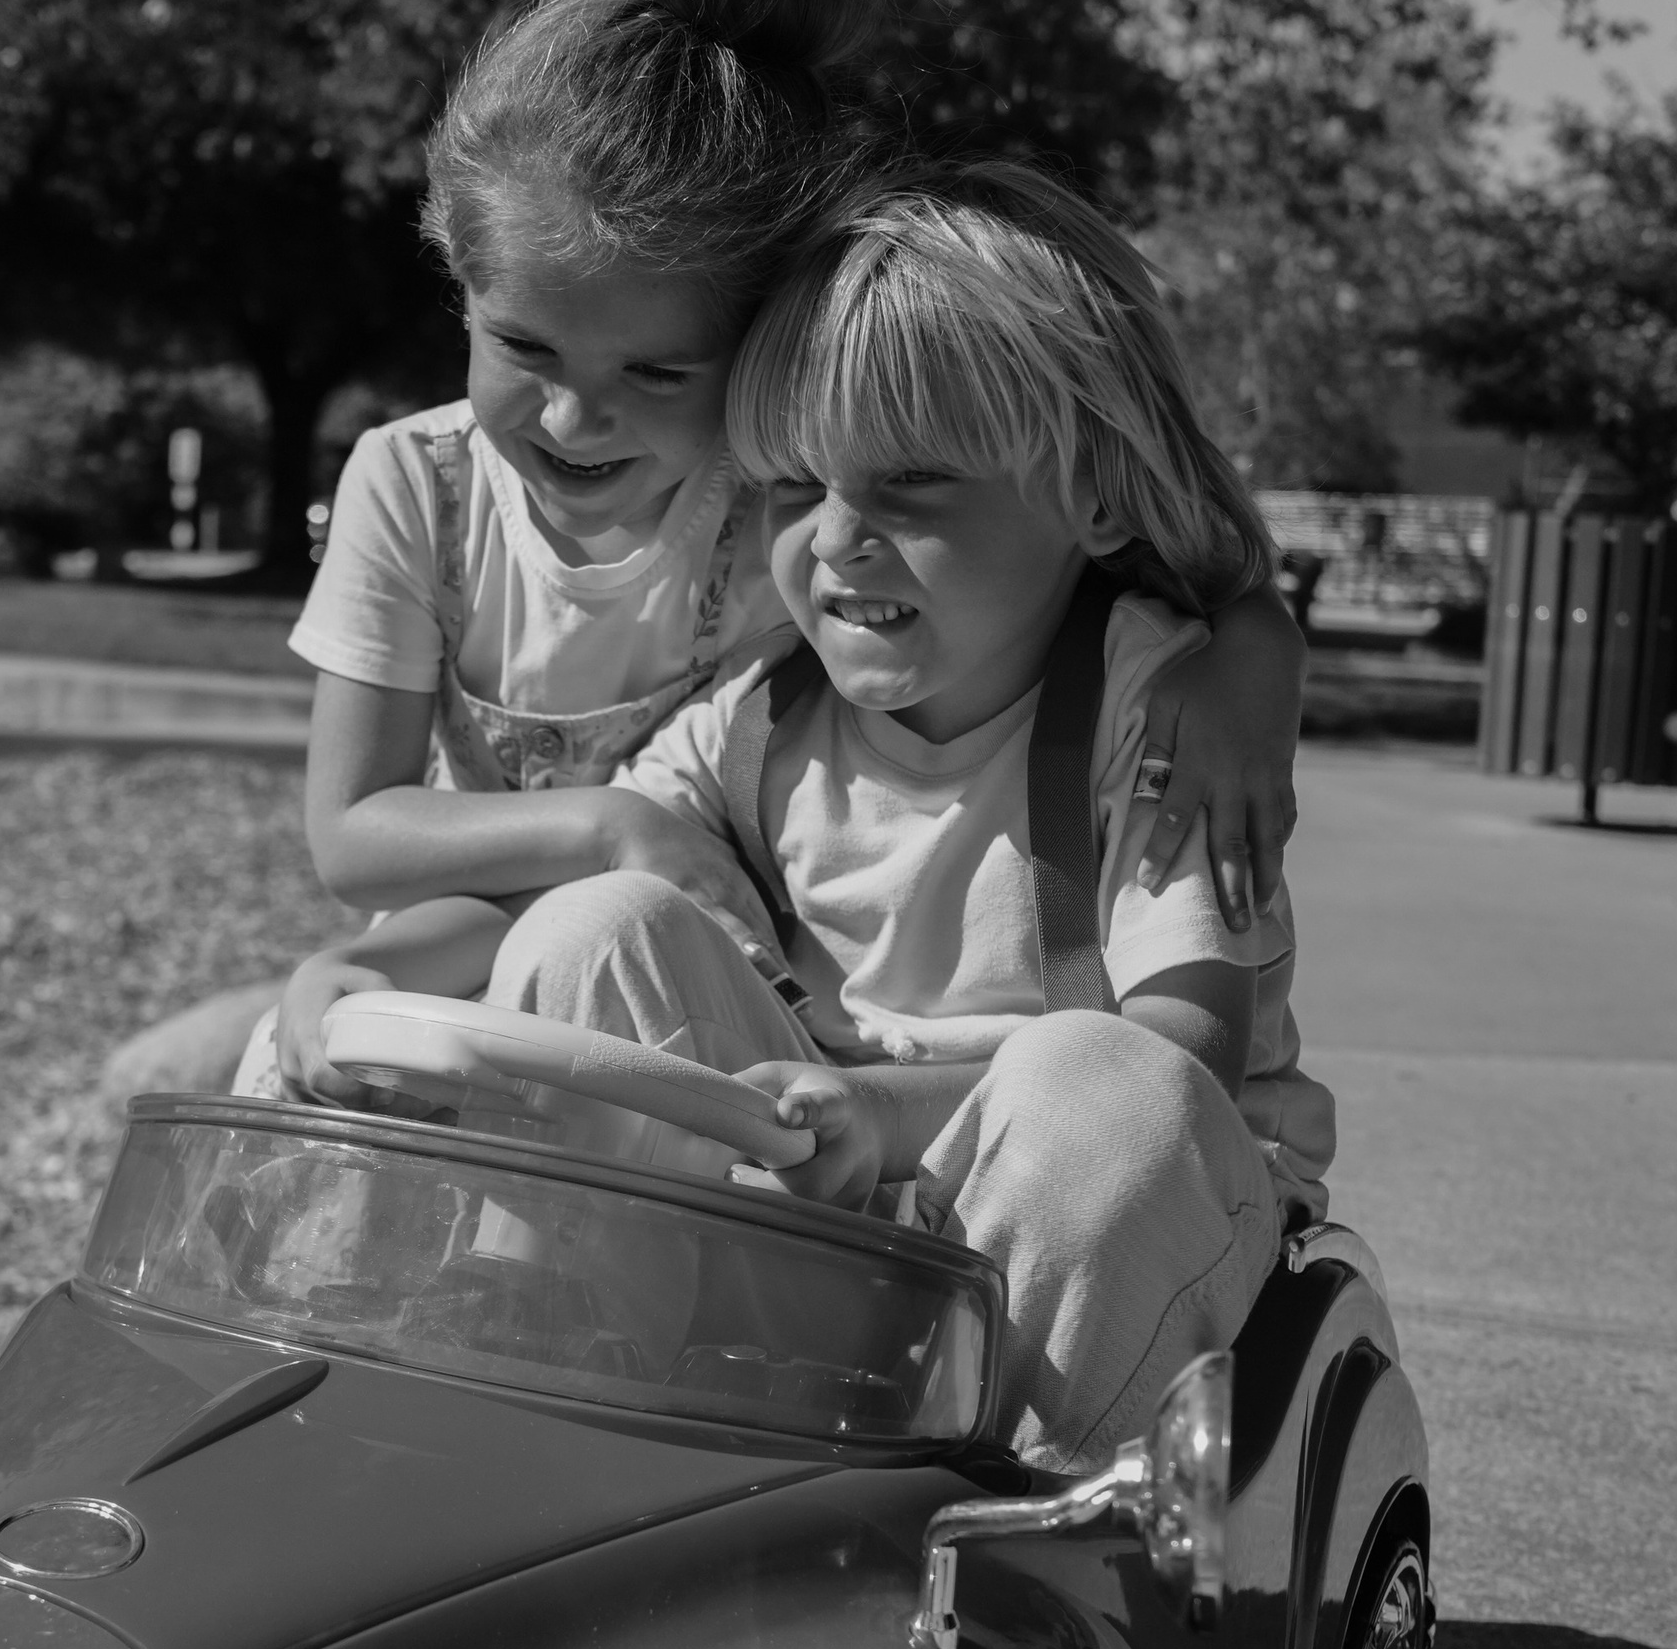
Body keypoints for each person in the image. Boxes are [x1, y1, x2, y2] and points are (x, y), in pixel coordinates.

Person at [109, 0, 1303, 1100]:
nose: (574, 417)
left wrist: (1247, 651)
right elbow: (352, 832)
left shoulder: (787, 494)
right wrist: (609, 832)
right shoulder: (423, 485)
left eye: (660, 376)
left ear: (761, 359)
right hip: (503, 945)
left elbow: (1077, 506)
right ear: (451, 278)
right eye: (521, 343)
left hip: (724, 1005)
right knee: (298, 1067)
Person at [275, 160, 1337, 1469]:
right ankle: (554, 1407)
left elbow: (1188, 1053)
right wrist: (359, 969)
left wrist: (879, 1115)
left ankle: (1010, 1513)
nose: (836, 540)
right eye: (791, 488)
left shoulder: (1158, 709)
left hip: (1123, 1259)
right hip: (860, 1236)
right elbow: (519, 910)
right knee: (597, 922)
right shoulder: (766, 715)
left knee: (1097, 1082)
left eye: (912, 487)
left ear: (1097, 498)